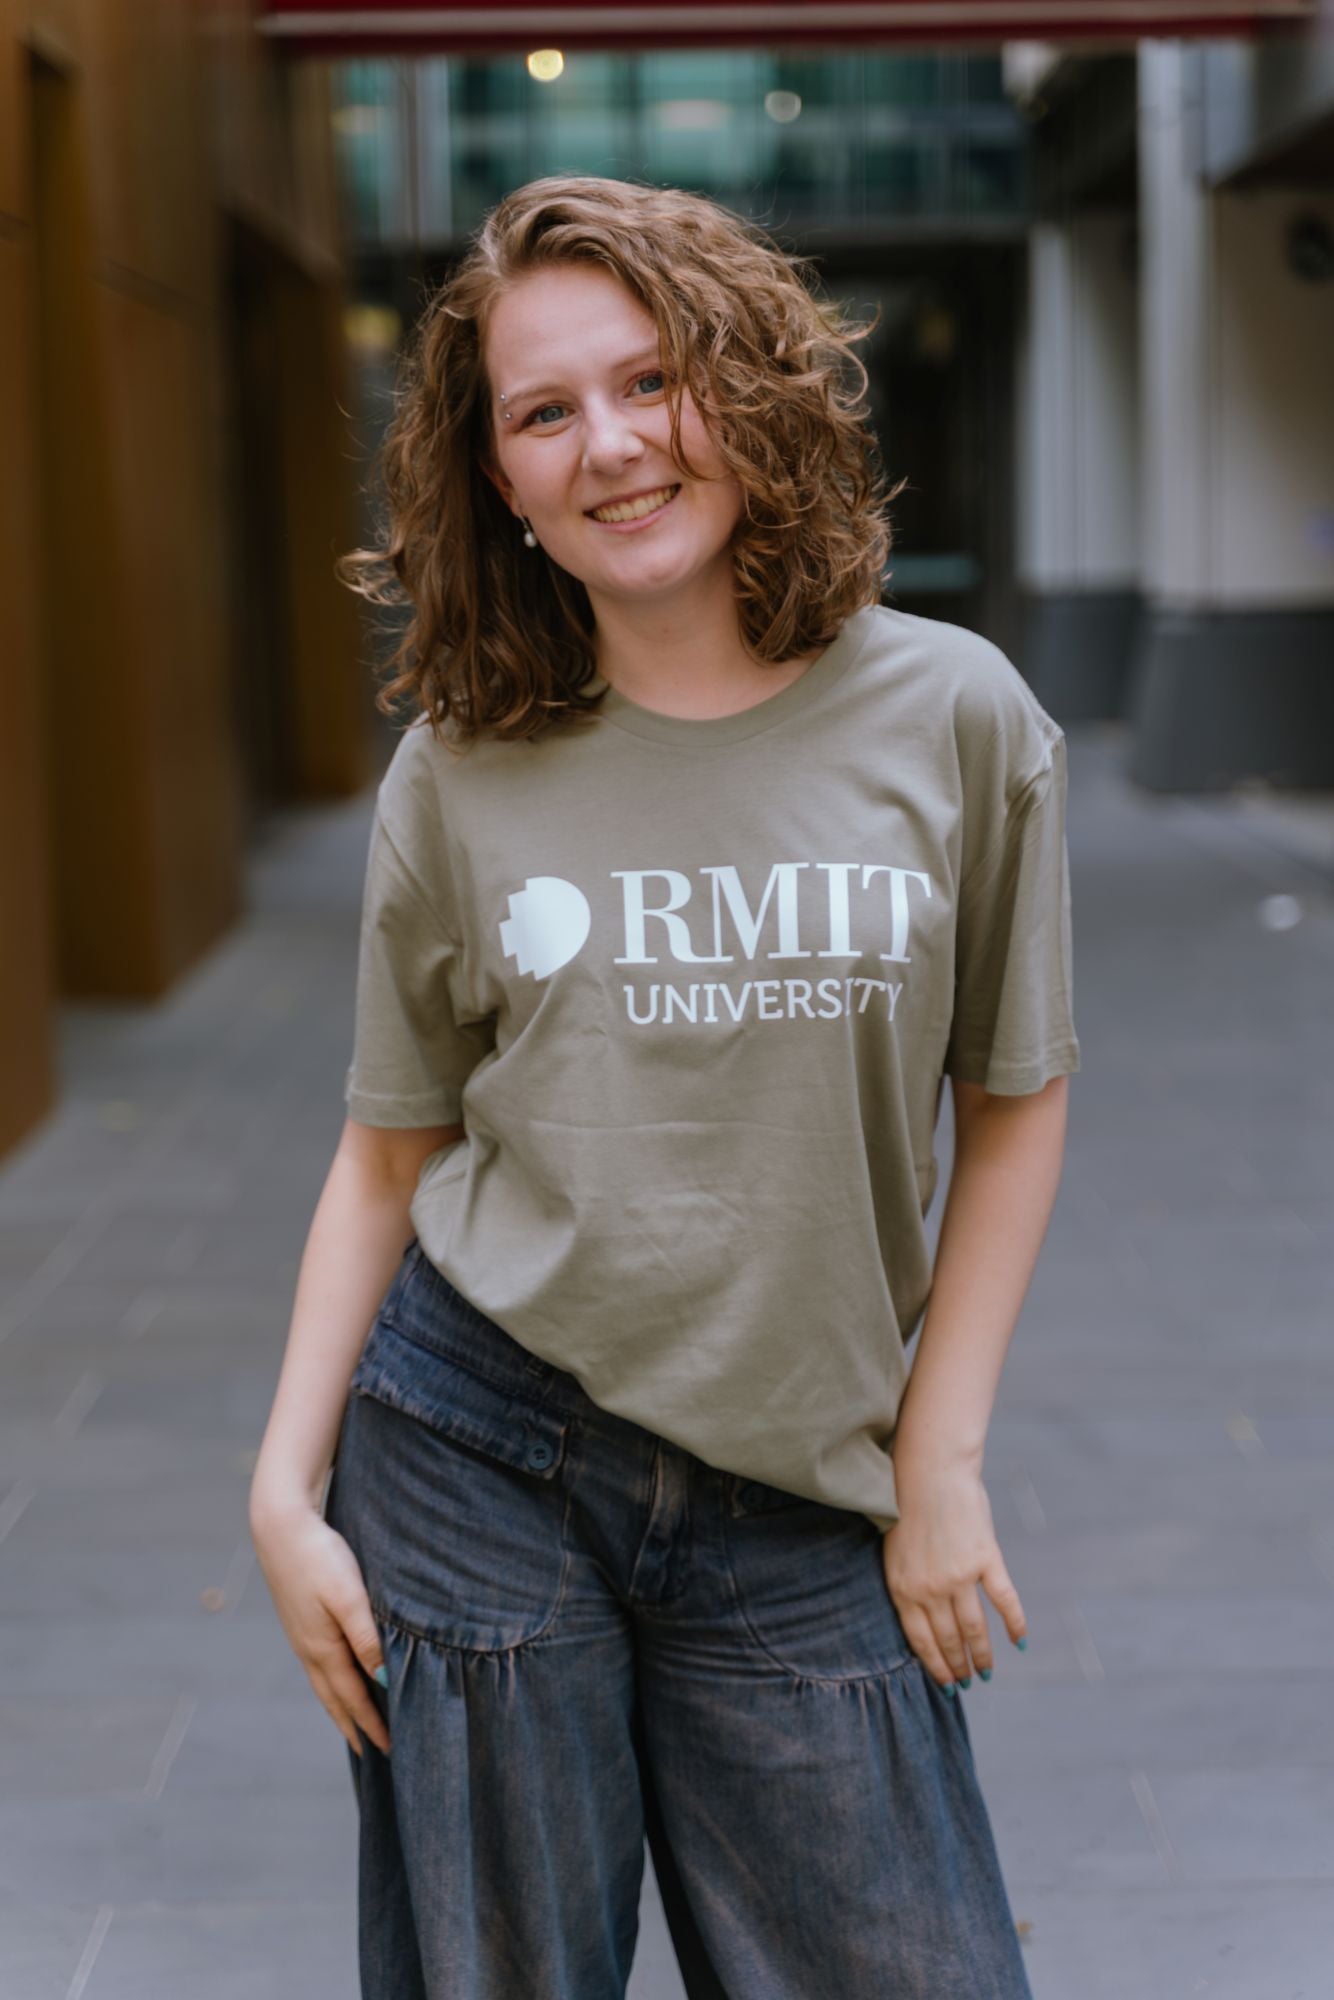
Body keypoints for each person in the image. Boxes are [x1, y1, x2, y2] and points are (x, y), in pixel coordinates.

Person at [249, 174, 1079, 2000]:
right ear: (500, 484)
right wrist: (282, 1489)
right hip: (477, 1457)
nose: (610, 446)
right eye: (544, 414)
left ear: (746, 389)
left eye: (650, 381)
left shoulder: (955, 716)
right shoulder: (460, 770)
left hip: (801, 1493)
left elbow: (1011, 1097)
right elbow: (389, 1154)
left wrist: (934, 1461)